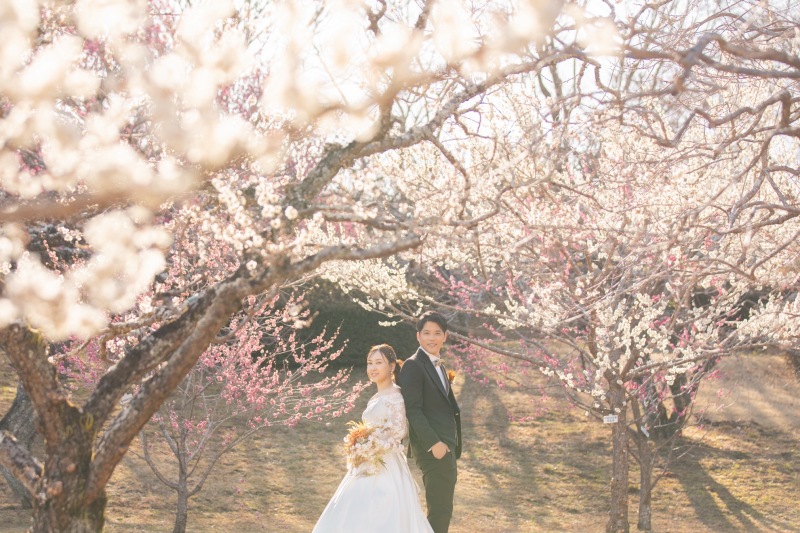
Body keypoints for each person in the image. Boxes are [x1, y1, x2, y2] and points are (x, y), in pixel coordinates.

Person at [312, 344, 433, 533]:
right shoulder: (377, 396)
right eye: (370, 363)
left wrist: (371, 445)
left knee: (381, 514)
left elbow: (400, 432)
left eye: (379, 363)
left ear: (392, 367)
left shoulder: (396, 397)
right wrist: (359, 445)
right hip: (367, 462)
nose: (373, 368)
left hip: (387, 466)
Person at [397, 311, 461, 533]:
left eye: (437, 333)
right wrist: (435, 445)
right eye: (426, 333)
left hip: (447, 447)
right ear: (418, 337)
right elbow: (412, 410)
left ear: (445, 336)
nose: (431, 338)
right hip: (433, 448)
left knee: (443, 509)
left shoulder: (438, 365)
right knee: (440, 511)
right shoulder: (413, 365)